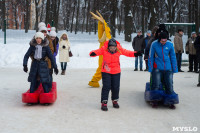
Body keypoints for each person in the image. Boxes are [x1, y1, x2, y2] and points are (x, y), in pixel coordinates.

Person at [90, 38, 141, 111]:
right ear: (108, 47)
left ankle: (115, 101)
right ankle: (104, 102)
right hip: (106, 71)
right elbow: (97, 51)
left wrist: (135, 53)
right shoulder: (104, 49)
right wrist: (92, 53)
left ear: (116, 47)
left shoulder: (119, 49)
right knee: (106, 86)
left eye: (114, 47)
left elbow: (127, 53)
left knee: (115, 87)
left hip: (116, 71)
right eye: (111, 48)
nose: (112, 49)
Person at [148, 32, 178, 109]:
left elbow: (173, 57)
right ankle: (155, 100)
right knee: (156, 84)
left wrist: (174, 68)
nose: (163, 42)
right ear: (159, 39)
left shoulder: (170, 44)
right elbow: (151, 56)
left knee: (169, 84)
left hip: (168, 68)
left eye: (165, 41)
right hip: (157, 67)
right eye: (162, 41)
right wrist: (150, 68)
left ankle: (170, 101)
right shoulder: (154, 44)